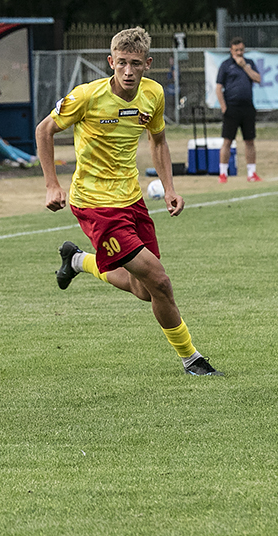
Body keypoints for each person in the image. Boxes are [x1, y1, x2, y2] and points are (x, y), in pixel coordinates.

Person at [35, 27, 223, 377]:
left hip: (132, 200)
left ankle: (77, 260)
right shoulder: (86, 96)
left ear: (147, 64)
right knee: (160, 281)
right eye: (121, 62)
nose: (128, 71)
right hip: (95, 204)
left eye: (135, 63)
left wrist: (169, 188)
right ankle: (192, 359)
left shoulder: (153, 94)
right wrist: (51, 185)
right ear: (111, 61)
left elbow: (158, 140)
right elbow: (44, 130)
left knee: (144, 290)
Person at [215, 37, 261, 183]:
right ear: (231, 50)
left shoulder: (249, 63)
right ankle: (223, 173)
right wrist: (224, 107)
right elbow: (218, 88)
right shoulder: (226, 65)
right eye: (236, 50)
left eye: (241, 50)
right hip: (232, 108)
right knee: (227, 141)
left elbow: (258, 79)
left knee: (249, 141)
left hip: (247, 107)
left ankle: (251, 173)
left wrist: (245, 66)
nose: (239, 53)